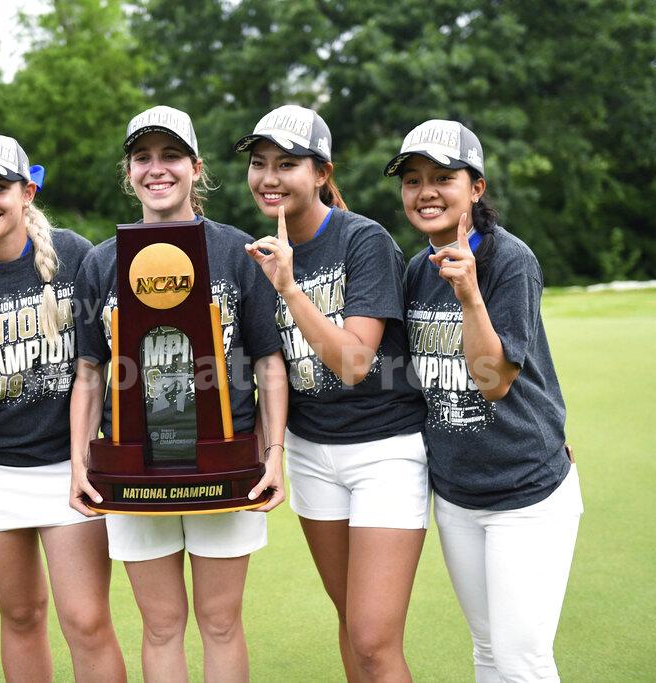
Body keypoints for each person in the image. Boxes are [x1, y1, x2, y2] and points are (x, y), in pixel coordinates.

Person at [70, 105, 288, 682]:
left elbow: (268, 362)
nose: (157, 169)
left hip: (226, 461)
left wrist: (273, 456)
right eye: (143, 158)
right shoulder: (100, 262)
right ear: (128, 172)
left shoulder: (238, 252)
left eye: (171, 156)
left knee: (220, 621)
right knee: (162, 625)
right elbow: (89, 371)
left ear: (196, 167)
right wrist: (79, 464)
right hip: (134, 468)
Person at [0, 134, 126, 681]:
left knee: (86, 620)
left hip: (70, 466)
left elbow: (102, 363)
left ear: (26, 192)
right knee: (20, 616)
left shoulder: (76, 255)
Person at [238, 105, 430, 681]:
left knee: (373, 639)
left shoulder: (362, 240)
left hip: (384, 452)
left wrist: (290, 288)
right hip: (312, 454)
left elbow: (353, 363)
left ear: (321, 173)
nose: (269, 177)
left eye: (287, 164)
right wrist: (267, 451)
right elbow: (267, 367)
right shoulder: (259, 254)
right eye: (259, 163)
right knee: (350, 622)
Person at [388, 119, 583, 682]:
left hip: (526, 491)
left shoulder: (509, 260)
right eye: (412, 180)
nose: (425, 192)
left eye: (442, 178)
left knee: (523, 659)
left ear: (476, 188)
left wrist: (470, 295)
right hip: (457, 494)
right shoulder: (416, 269)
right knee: (489, 651)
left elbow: (493, 381)